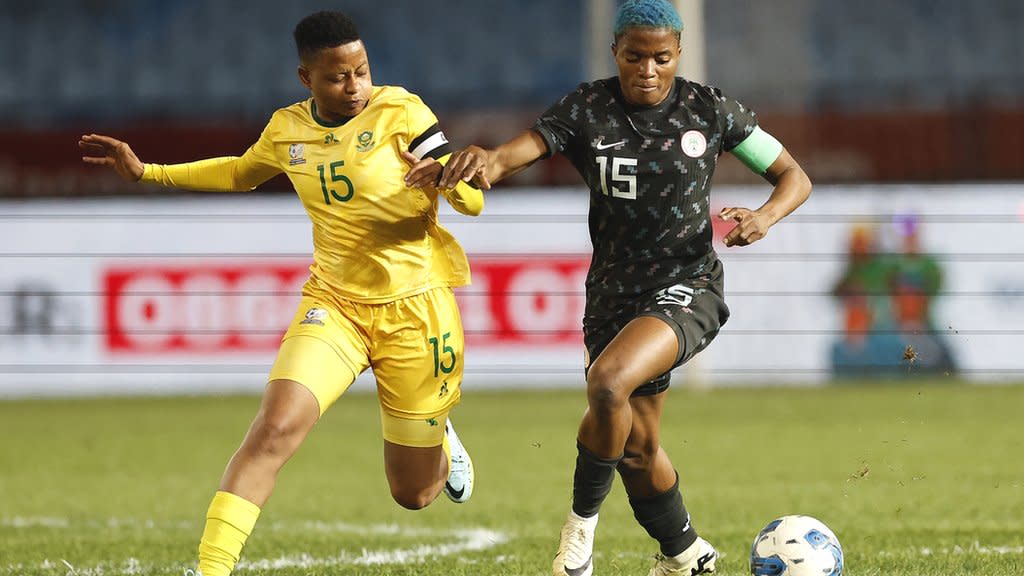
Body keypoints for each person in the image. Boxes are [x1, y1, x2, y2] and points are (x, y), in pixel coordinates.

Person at [409, 1, 811, 574]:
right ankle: (686, 555)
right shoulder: (588, 109)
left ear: (678, 54)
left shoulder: (710, 110)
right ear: (615, 53)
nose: (648, 69)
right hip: (612, 296)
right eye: (635, 57)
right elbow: (514, 154)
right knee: (635, 448)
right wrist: (481, 161)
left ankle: (577, 538)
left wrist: (766, 216)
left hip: (688, 285)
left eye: (661, 58)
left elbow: (794, 176)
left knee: (608, 382)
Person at [79, 11, 481, 576]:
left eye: (362, 71)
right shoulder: (287, 130)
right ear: (306, 79)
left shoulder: (404, 111)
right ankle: (211, 569)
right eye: (338, 77)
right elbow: (241, 173)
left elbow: (474, 200)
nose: (355, 86)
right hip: (335, 305)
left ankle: (439, 437)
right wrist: (149, 173)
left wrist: (447, 180)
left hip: (417, 311)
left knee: (414, 494)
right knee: (274, 429)